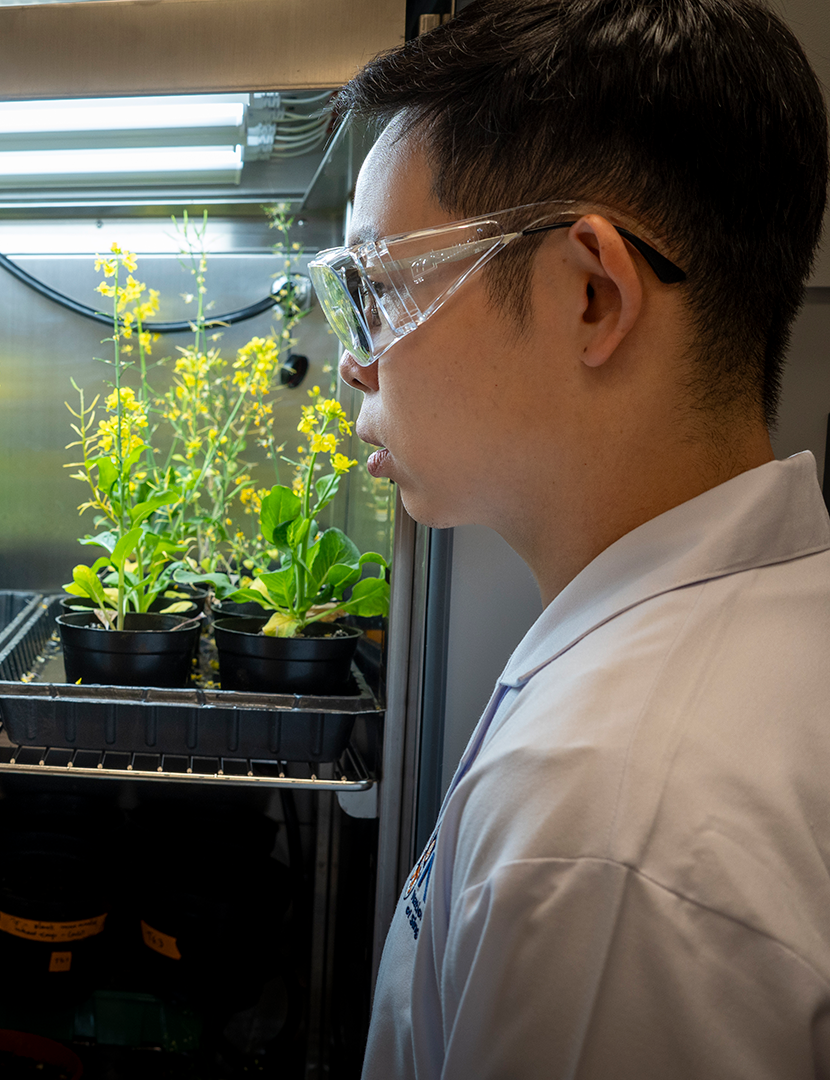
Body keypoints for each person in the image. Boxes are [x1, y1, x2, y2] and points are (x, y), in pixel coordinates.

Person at [311, 0, 830, 1074]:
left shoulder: (604, 832)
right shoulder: (776, 620)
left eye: (384, 285)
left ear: (592, 297)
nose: (358, 361)